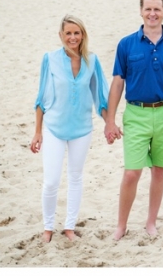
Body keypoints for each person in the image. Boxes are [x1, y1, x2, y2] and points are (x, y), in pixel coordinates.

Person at [104, 0, 163, 240]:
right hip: (136, 114)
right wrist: (110, 120)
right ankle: (121, 225)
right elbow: (117, 83)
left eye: (157, 9)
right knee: (132, 171)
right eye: (148, 9)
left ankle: (151, 222)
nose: (152, 13)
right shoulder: (126, 44)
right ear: (141, 11)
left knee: (160, 170)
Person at [30, 14, 109, 243]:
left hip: (82, 129)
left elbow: (99, 97)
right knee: (51, 181)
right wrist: (37, 132)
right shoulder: (50, 59)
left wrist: (109, 123)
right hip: (54, 128)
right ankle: (48, 227)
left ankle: (69, 226)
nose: (72, 37)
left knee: (75, 177)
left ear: (82, 35)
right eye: (68, 33)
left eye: (77, 33)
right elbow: (41, 98)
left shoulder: (91, 60)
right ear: (61, 35)